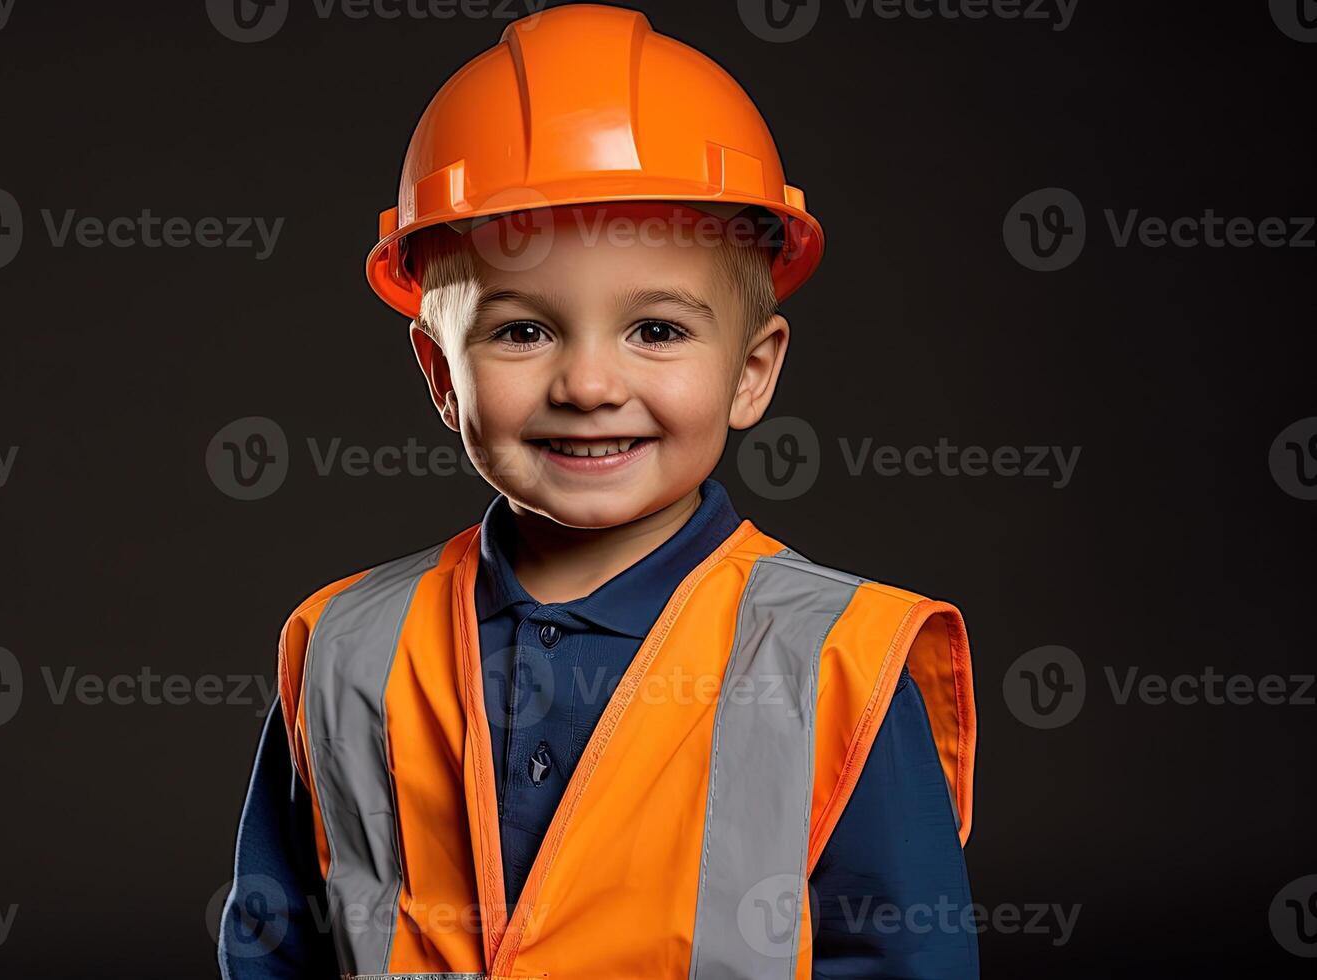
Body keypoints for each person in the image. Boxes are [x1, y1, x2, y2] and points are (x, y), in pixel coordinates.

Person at [220, 5, 978, 978]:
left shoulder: (837, 664)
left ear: (752, 370)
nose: (587, 384)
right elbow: (276, 945)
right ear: (440, 373)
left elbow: (905, 958)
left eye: (656, 330)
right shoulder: (345, 646)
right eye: (521, 332)